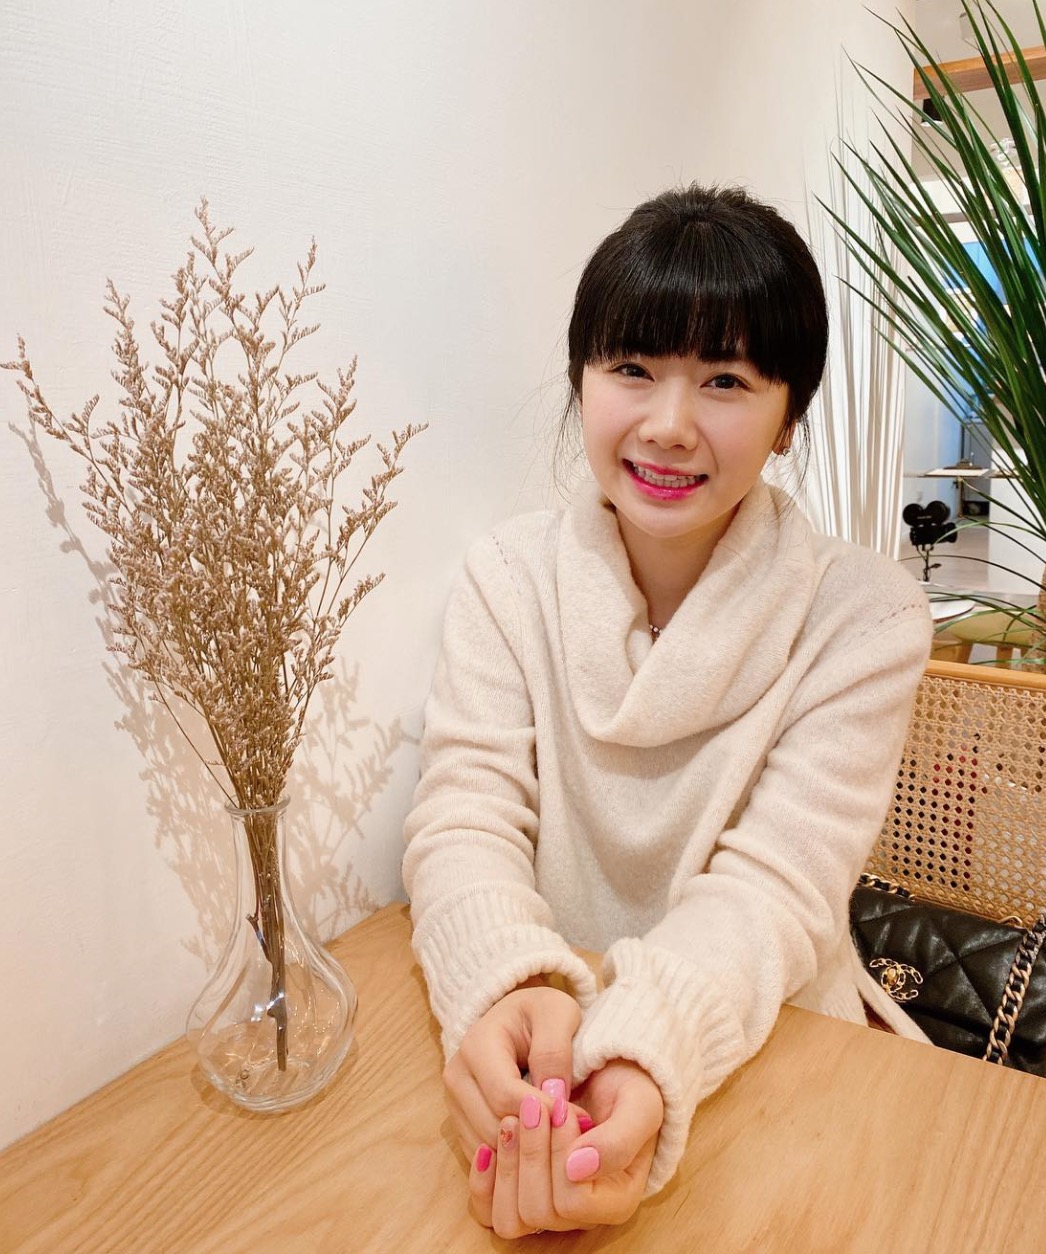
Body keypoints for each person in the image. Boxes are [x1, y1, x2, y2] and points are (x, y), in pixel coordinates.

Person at [402, 184, 932, 1238]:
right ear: (581, 382)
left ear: (788, 419)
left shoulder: (863, 615)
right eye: (632, 369)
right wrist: (501, 981)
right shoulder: (507, 578)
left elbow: (776, 886)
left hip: (771, 1044)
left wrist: (647, 1042)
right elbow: (463, 814)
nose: (668, 426)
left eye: (725, 380)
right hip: (547, 1049)